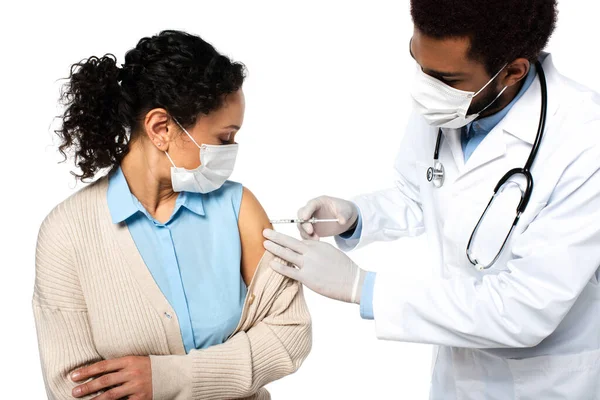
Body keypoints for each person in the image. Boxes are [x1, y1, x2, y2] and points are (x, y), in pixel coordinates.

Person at [262, 1, 600, 399]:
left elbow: (523, 309)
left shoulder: (584, 141)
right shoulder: (455, 100)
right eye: (419, 63)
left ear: (512, 71)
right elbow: (421, 191)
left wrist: (363, 287)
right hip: (456, 376)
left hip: (542, 384)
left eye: (445, 78)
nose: (426, 87)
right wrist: (356, 218)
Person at [33, 30, 311, 400]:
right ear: (160, 128)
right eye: (224, 138)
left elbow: (289, 333)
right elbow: (76, 388)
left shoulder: (239, 207)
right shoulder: (66, 233)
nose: (231, 150)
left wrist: (170, 377)